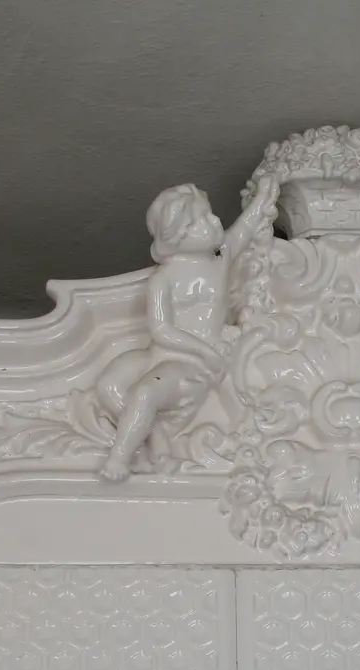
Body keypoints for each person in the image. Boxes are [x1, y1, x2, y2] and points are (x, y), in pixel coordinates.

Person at [96, 176, 279, 481]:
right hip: (163, 352)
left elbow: (244, 228)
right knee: (108, 386)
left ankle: (119, 458)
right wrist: (205, 350)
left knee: (145, 392)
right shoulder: (164, 278)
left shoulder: (218, 257)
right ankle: (155, 438)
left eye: (210, 213)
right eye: (200, 221)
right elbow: (161, 330)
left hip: (191, 363)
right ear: (176, 237)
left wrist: (263, 198)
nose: (214, 221)